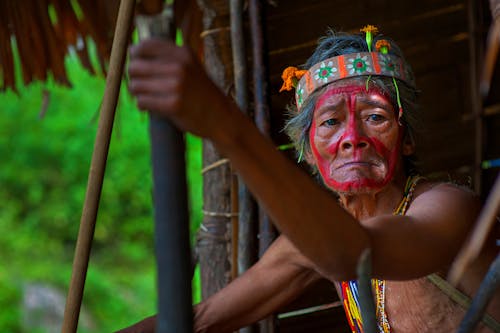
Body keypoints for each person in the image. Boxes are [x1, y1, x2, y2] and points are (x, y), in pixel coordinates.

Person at [119, 26, 500, 332]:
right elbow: (201, 321)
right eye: (331, 122)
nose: (352, 137)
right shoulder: (315, 242)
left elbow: (355, 255)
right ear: (307, 152)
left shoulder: (450, 207)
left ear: (408, 139)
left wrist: (225, 126)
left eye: (375, 117)